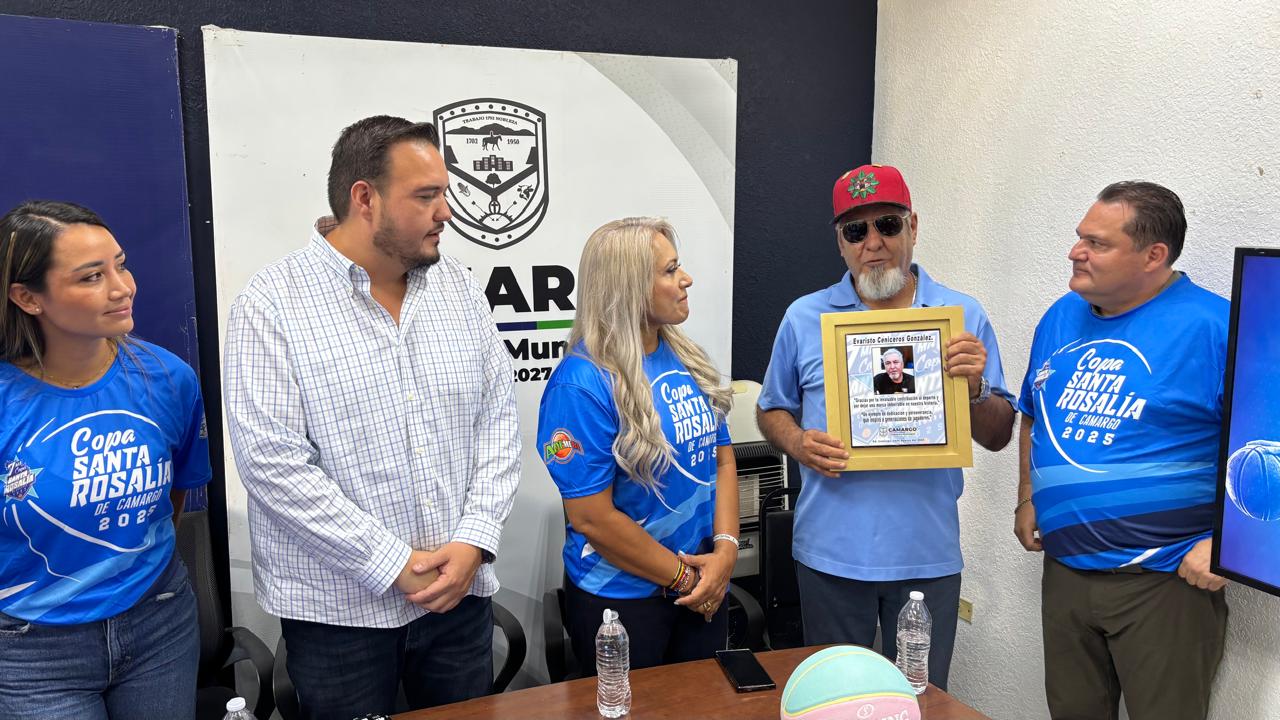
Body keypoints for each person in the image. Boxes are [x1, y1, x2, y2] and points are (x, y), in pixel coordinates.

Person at [223, 116, 520, 720]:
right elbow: (272, 462)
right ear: (365, 198)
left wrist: (474, 539)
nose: (447, 212)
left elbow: (497, 424)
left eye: (446, 192)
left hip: (459, 600)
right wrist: (391, 564)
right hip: (340, 616)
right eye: (427, 195)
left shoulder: (460, 291)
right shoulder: (272, 303)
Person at [756, 164, 1015, 690]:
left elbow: (999, 433)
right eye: (856, 230)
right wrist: (799, 444)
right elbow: (770, 410)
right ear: (840, 242)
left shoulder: (961, 314)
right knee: (835, 700)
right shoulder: (805, 317)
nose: (873, 243)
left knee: (919, 701)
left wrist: (976, 388)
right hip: (829, 554)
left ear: (913, 227)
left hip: (926, 556)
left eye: (888, 226)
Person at [1015, 181, 1228, 720]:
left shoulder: (1215, 328)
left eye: (1097, 243)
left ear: (1154, 255)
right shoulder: (1062, 315)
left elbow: (1269, 447)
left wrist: (1232, 543)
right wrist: (1026, 497)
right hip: (1064, 574)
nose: (1075, 251)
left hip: (1163, 585)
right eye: (1079, 237)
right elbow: (1033, 412)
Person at [0, 200, 211, 719]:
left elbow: (173, 494)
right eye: (92, 276)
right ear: (28, 297)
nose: (122, 287)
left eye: (121, 263)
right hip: (32, 650)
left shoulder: (167, 377)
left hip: (159, 624)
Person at [536, 217, 738, 674]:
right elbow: (592, 517)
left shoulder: (684, 356)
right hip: (624, 604)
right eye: (669, 271)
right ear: (628, 287)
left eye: (678, 266)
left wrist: (725, 553)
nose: (685, 279)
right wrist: (686, 578)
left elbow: (722, 460)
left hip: (703, 586)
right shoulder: (581, 385)